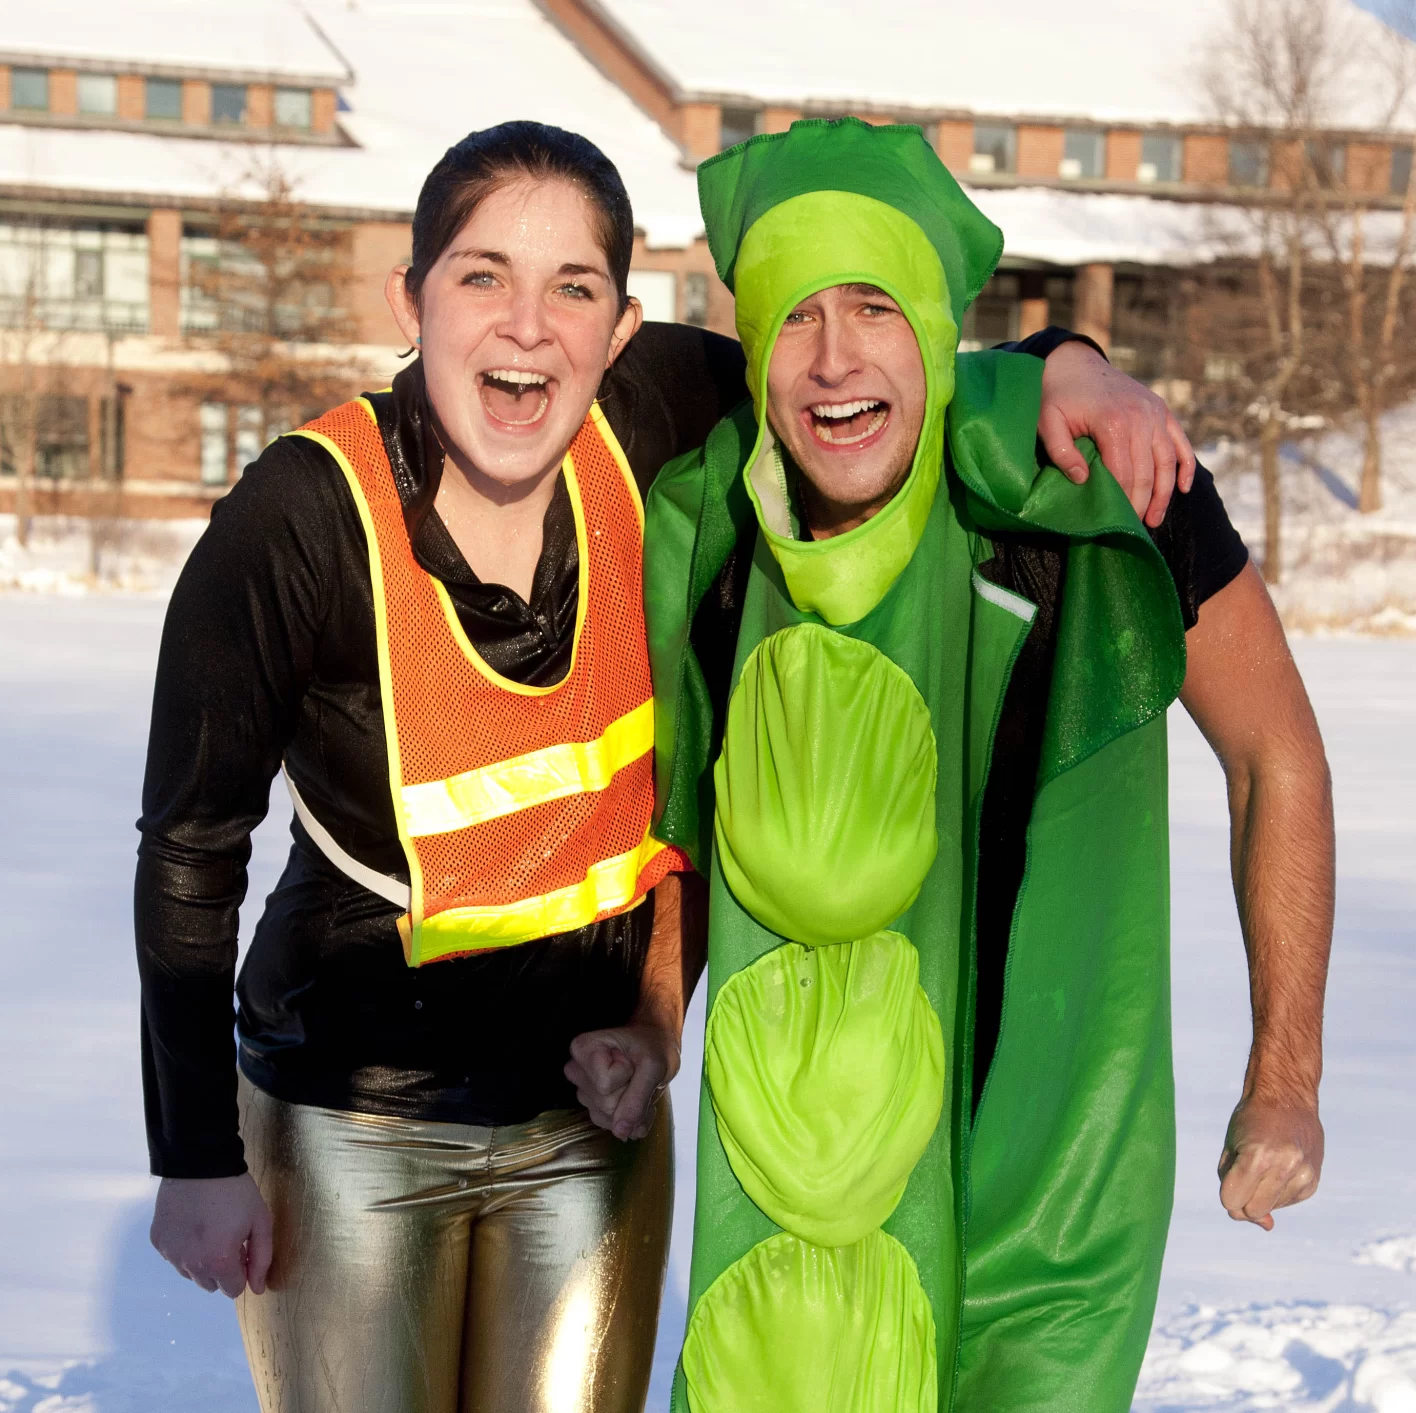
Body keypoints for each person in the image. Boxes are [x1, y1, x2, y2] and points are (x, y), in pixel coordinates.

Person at [135, 121, 1203, 1413]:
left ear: (621, 328)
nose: (527, 327)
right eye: (480, 277)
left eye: (570, 289)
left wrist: (1053, 367)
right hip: (352, 1108)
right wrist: (193, 1153)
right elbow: (192, 843)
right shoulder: (297, 521)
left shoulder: (648, 425)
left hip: (587, 1129)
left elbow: (864, 360)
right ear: (407, 300)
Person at [645, 118, 1334, 1413]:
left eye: (874, 306)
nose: (835, 358)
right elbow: (687, 827)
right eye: (793, 316)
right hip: (818, 1178)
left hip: (1051, 1169)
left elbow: (1272, 758)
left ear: (934, 324)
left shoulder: (1089, 482)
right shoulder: (708, 526)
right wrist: (641, 1025)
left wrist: (1283, 1082)